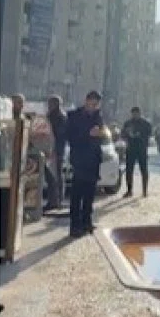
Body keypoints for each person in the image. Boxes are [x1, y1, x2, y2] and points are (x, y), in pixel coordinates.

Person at [64, 90, 105, 238]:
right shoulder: (74, 116)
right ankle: (75, 226)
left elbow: (101, 135)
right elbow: (70, 137)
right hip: (80, 159)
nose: (94, 106)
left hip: (94, 160)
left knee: (90, 194)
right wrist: (88, 134)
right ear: (87, 101)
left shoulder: (98, 116)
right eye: (92, 103)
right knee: (77, 194)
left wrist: (101, 134)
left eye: (96, 104)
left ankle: (87, 222)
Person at [43, 95, 68, 211]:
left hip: (56, 150)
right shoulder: (49, 116)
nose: (49, 106)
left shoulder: (60, 117)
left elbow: (60, 134)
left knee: (55, 176)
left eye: (51, 103)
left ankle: (56, 201)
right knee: (50, 176)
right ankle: (53, 200)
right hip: (49, 149)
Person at [121, 106, 153, 198]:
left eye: (136, 113)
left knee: (144, 170)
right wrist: (127, 134)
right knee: (129, 170)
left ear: (139, 113)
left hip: (141, 149)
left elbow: (150, 133)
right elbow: (123, 134)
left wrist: (140, 135)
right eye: (133, 113)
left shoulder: (145, 123)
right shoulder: (128, 123)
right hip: (130, 149)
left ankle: (144, 191)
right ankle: (129, 190)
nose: (135, 115)